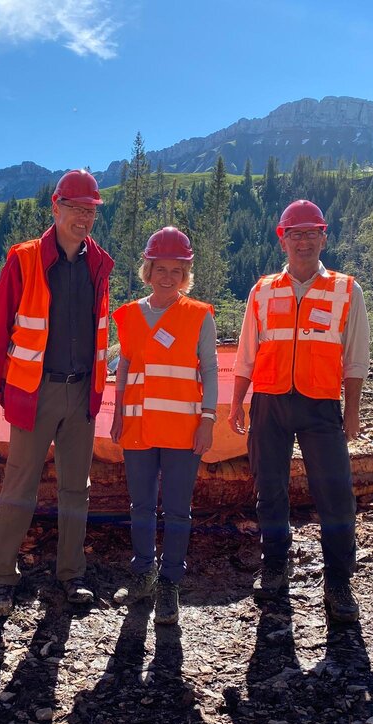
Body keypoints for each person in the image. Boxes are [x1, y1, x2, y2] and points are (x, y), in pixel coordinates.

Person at [0, 169, 114, 617]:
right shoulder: (24, 259)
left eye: (89, 209)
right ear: (55, 208)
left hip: (81, 396)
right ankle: (0, 579)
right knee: (20, 487)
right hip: (34, 392)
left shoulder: (99, 263)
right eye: (74, 208)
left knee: (78, 489)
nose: (82, 217)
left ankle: (71, 576)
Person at [229, 200, 370, 623]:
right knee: (269, 489)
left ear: (324, 237)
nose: (304, 241)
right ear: (283, 240)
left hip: (321, 403)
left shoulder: (347, 289)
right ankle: (275, 564)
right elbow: (247, 351)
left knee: (336, 494)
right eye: (296, 234)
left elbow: (356, 355)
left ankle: (339, 581)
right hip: (270, 402)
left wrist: (353, 411)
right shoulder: (263, 289)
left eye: (312, 233)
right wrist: (237, 401)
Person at [110, 227, 218, 625]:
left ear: (186, 274)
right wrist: (118, 413)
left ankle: (170, 583)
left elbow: (209, 369)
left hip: (183, 429)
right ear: (148, 269)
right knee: (140, 506)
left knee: (176, 510)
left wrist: (208, 420)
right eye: (161, 268)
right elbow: (123, 367)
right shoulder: (130, 315)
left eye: (177, 270)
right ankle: (143, 574)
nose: (168, 277)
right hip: (138, 429)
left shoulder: (197, 315)